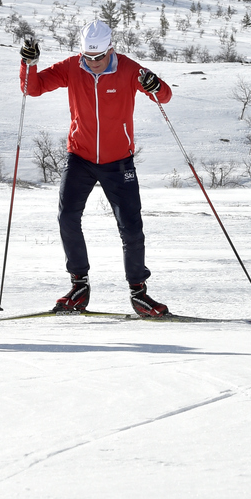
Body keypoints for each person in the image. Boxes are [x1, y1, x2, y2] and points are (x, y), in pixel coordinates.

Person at [18, 20, 174, 316]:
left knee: (131, 229)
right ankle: (79, 286)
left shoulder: (129, 69)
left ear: (110, 50)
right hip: (81, 157)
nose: (94, 63)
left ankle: (139, 293)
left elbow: (163, 96)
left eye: (99, 57)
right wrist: (29, 63)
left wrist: (156, 85)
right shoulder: (71, 67)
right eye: (88, 58)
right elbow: (32, 88)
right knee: (67, 217)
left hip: (119, 162)